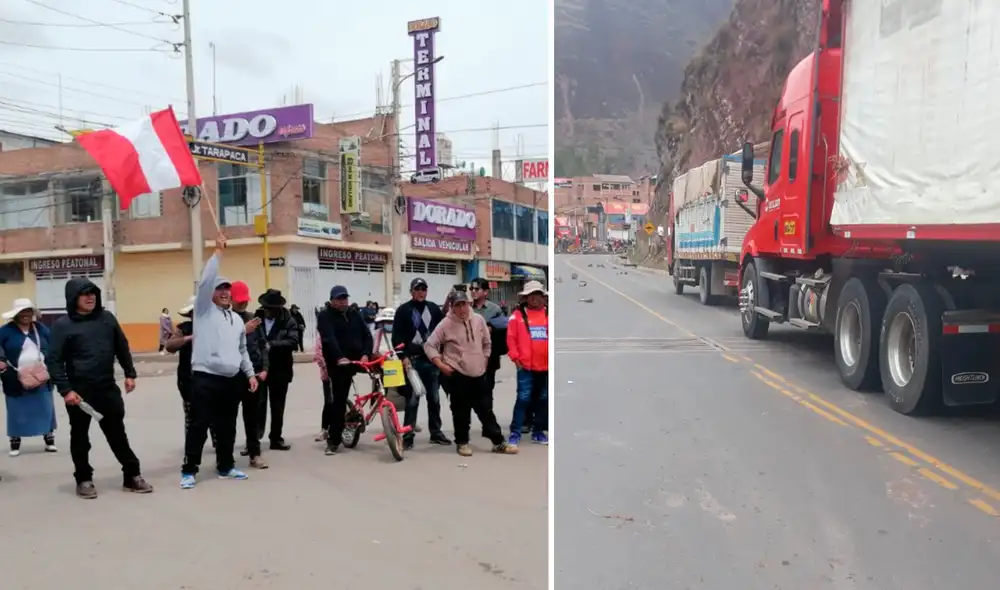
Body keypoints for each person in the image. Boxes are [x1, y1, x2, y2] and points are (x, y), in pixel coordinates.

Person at [47, 278, 152, 498]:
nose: (90, 297)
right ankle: (84, 479)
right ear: (73, 298)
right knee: (80, 438)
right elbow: (54, 360)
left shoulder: (106, 319)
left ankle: (132, 475)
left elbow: (121, 346)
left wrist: (130, 373)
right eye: (84, 294)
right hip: (79, 391)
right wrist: (66, 390)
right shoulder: (62, 325)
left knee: (117, 434)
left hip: (106, 387)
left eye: (93, 292)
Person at [180, 241, 259, 490]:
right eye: (219, 289)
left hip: (231, 379)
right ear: (211, 293)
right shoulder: (203, 311)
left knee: (227, 426)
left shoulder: (236, 320)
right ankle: (189, 470)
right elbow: (204, 282)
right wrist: (217, 254)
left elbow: (242, 350)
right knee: (199, 425)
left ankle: (225, 466)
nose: (224, 292)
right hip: (206, 378)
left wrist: (250, 374)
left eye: (227, 289)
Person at [424, 290, 517, 458]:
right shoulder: (446, 324)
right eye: (457, 305)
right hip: (458, 373)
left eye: (464, 304)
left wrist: (485, 359)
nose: (462, 309)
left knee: (486, 410)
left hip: (479, 374)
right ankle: (462, 442)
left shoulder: (478, 320)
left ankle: (498, 442)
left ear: (468, 304)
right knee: (460, 411)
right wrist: (440, 364)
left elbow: (487, 343)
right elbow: (429, 345)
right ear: (452, 307)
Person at [392, 277, 451, 450]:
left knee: (434, 399)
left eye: (423, 289)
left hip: (432, 361)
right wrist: (403, 357)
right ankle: (408, 435)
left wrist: (442, 355)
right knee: (412, 400)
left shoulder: (433, 309)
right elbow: (396, 337)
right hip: (413, 362)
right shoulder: (403, 311)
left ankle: (436, 432)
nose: (420, 292)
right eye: (417, 289)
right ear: (411, 291)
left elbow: (442, 332)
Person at [316, 285, 372, 455]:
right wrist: (340, 357)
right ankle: (333, 440)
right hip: (338, 363)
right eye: (339, 299)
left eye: (344, 298)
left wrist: (366, 354)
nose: (342, 302)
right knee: (338, 400)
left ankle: (386, 407)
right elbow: (329, 339)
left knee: (386, 370)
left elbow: (367, 335)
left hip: (357, 359)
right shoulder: (325, 316)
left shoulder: (354, 314)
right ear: (332, 300)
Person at [0, 298, 57, 457]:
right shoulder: (5, 330)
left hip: (40, 376)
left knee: (45, 407)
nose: (25, 315)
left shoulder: (40, 328)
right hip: (15, 376)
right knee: (16, 410)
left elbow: (53, 345)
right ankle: (15, 442)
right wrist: (1, 361)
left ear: (32, 313)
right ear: (16, 314)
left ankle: (49, 440)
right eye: (22, 312)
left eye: (28, 311)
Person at [164, 296, 216, 446]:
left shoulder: (214, 327)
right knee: (191, 415)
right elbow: (170, 346)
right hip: (188, 379)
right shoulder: (183, 328)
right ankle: (192, 446)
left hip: (211, 378)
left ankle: (218, 443)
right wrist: (189, 338)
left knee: (213, 414)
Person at [254, 289, 300, 451]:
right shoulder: (255, 318)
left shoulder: (288, 320)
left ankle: (276, 438)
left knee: (277, 406)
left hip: (281, 369)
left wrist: (272, 345)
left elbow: (294, 341)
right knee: (257, 406)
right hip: (259, 369)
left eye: (272, 308)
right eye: (266, 308)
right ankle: (254, 441)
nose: (269, 311)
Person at [506, 280, 549, 447]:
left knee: (543, 399)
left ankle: (538, 432)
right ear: (526, 298)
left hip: (545, 368)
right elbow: (511, 339)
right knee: (523, 399)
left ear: (543, 297)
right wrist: (516, 359)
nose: (534, 299)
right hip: (525, 368)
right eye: (531, 296)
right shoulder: (517, 316)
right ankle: (515, 433)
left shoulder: (549, 315)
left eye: (537, 295)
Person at [231, 281, 270, 469]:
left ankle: (255, 454)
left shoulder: (254, 318)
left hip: (253, 375)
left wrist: (264, 368)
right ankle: (225, 457)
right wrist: (242, 330)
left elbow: (263, 345)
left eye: (245, 300)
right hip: (231, 375)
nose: (243, 304)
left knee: (252, 417)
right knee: (228, 418)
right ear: (230, 299)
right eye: (239, 301)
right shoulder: (225, 320)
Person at [470, 278, 506, 411]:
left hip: (489, 355)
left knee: (487, 388)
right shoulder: (466, 307)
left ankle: (488, 422)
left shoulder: (494, 309)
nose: (473, 292)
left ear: (485, 292)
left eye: (477, 289)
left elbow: (504, 324)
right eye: (471, 289)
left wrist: (491, 326)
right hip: (470, 355)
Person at [314, 326, 331, 442]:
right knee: (329, 401)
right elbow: (319, 354)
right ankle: (324, 429)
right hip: (328, 374)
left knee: (341, 402)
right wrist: (326, 366)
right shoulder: (323, 335)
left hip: (343, 373)